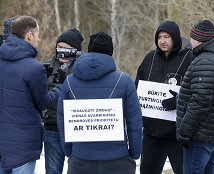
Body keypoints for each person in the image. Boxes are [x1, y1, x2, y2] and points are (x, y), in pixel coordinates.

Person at [57, 31, 142, 174]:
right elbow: (135, 122)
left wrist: (68, 151)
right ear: (110, 52)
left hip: (80, 158)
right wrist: (135, 153)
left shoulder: (69, 81)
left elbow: (62, 119)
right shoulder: (124, 80)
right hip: (117, 159)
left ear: (89, 50)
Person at [0, 16, 61, 174]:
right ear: (29, 35)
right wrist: (58, 89)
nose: (38, 39)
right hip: (23, 144)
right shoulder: (34, 68)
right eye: (37, 34)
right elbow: (43, 102)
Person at [135, 20, 194, 174]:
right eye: (159, 37)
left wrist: (179, 100)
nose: (162, 41)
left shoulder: (189, 58)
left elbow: (197, 91)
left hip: (177, 133)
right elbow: (138, 88)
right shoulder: (150, 58)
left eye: (166, 37)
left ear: (175, 37)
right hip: (151, 131)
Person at [176, 20, 214, 174]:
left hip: (198, 136)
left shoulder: (205, 61)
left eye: (192, 36)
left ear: (199, 38)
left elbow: (200, 101)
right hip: (210, 134)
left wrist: (184, 132)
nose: (190, 40)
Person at [42, 28, 84, 174]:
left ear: (76, 50)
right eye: (60, 48)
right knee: (53, 170)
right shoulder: (46, 67)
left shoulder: (84, 68)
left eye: (67, 48)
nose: (63, 52)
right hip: (53, 127)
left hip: (78, 127)